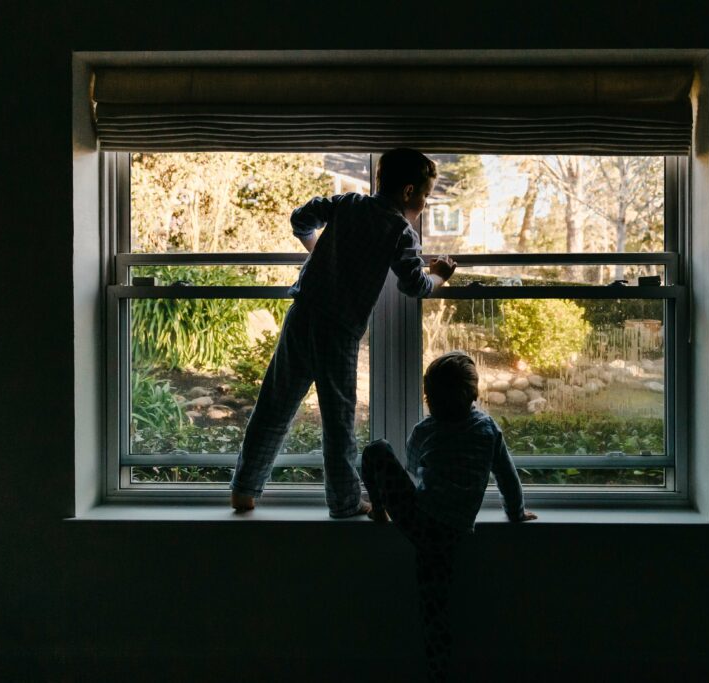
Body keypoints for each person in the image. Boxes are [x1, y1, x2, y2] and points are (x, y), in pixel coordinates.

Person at [230, 148, 457, 517]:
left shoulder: (348, 203)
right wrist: (441, 275)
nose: (425, 204)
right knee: (338, 421)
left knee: (274, 405)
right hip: (338, 331)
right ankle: (345, 501)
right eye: (425, 195)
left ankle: (244, 489)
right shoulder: (400, 230)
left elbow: (300, 218)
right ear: (408, 191)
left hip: (302, 315)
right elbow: (415, 286)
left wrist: (318, 249)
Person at [361, 350, 537, 682]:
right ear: (473, 391)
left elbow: (411, 467)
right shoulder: (488, 429)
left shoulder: (426, 430)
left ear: (430, 397)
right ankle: (439, 672)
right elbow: (508, 478)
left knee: (376, 450)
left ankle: (377, 508)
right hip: (453, 530)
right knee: (435, 610)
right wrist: (516, 514)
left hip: (420, 519)